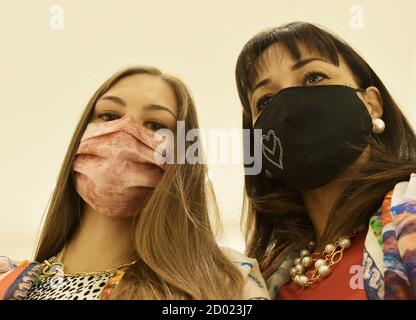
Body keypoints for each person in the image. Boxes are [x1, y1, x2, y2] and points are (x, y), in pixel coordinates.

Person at [0, 66, 269, 300]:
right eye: (108, 116)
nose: (125, 129)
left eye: (154, 124)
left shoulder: (228, 280)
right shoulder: (8, 281)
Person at [235, 21, 416, 299]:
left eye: (313, 77)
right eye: (265, 102)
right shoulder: (259, 280)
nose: (289, 106)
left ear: (371, 104)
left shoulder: (409, 218)